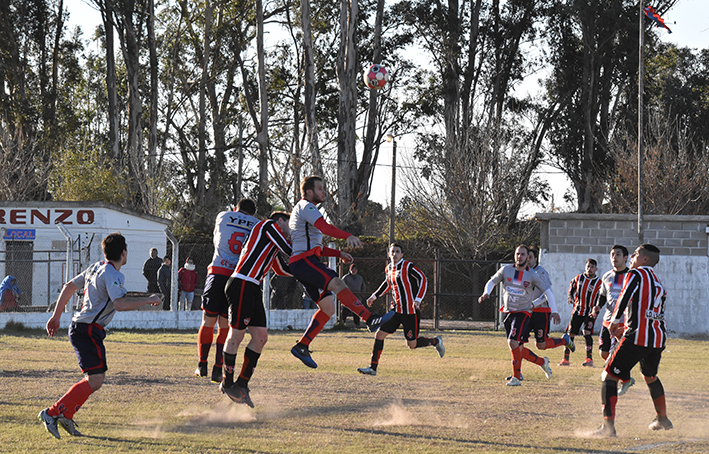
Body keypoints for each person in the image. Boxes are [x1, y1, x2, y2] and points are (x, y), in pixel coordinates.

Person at [38, 232, 161, 439]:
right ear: (123, 253)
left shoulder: (95, 267)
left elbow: (69, 286)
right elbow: (120, 304)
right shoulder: (112, 274)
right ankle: (52, 413)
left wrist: (56, 316)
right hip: (88, 329)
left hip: (82, 327)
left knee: (95, 378)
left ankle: (66, 414)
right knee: (95, 380)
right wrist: (148, 300)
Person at [288, 175, 394, 369]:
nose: (324, 192)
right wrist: (347, 236)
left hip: (304, 262)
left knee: (328, 308)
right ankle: (369, 319)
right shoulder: (306, 206)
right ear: (309, 192)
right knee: (338, 283)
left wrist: (338, 253)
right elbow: (324, 227)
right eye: (320, 188)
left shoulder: (306, 210)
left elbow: (315, 246)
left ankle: (302, 346)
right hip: (304, 262)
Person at [589, 244, 672, 438]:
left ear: (644, 259)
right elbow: (659, 310)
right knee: (650, 375)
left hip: (637, 336)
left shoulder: (636, 274)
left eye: (635, 254)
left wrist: (615, 320)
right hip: (657, 338)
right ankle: (663, 418)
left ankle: (608, 428)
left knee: (608, 376)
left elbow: (625, 296)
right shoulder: (659, 281)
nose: (632, 256)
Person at [219, 212, 292, 407]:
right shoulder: (268, 226)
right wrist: (311, 254)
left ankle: (242, 384)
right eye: (289, 223)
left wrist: (310, 273)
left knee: (260, 337)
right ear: (280, 221)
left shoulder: (271, 242)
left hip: (252, 287)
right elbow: (289, 249)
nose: (291, 228)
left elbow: (281, 269)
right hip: (242, 283)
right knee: (236, 336)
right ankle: (227, 383)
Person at [196, 199, 259, 383]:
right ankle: (218, 368)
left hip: (217, 271)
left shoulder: (223, 215)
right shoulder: (256, 224)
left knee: (208, 321)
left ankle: (201, 364)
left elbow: (216, 238)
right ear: (253, 214)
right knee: (225, 325)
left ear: (235, 209)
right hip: (237, 278)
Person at [357, 243, 443, 376]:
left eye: (398, 252)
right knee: (379, 335)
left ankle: (435, 341)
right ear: (389, 254)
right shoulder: (389, 268)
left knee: (412, 345)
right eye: (393, 252)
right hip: (395, 311)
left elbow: (423, 279)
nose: (395, 254)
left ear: (402, 255)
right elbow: (387, 283)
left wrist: (418, 299)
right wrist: (374, 296)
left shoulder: (408, 266)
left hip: (410, 312)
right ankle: (372, 368)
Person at [478, 244, 557, 386]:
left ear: (527, 257)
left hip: (523, 312)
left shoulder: (533, 275)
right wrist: (486, 293)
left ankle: (516, 377)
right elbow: (492, 281)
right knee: (517, 348)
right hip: (508, 312)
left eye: (522, 254)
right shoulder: (506, 270)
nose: (519, 256)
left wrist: (555, 310)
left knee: (512, 342)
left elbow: (548, 292)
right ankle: (542, 362)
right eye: (517, 254)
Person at [517, 248, 572, 380]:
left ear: (536, 259)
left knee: (541, 345)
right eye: (526, 257)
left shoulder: (540, 273)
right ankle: (517, 373)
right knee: (517, 343)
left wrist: (534, 304)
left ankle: (564, 340)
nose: (527, 259)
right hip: (526, 312)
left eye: (530, 257)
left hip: (541, 312)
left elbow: (547, 293)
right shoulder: (521, 272)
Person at [591, 245, 635, 395]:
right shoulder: (607, 276)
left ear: (625, 258)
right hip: (607, 321)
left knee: (613, 356)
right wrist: (597, 306)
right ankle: (626, 378)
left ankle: (614, 385)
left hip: (623, 323)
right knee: (604, 353)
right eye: (612, 255)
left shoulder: (632, 276)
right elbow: (602, 295)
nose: (614, 257)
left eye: (618, 254)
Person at [560, 258, 602, 367]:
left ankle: (589, 359)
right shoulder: (579, 278)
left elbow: (601, 297)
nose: (590, 269)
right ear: (585, 267)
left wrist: (597, 309)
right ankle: (566, 359)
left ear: (596, 269)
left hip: (590, 313)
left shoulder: (599, 282)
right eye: (588, 266)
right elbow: (571, 287)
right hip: (577, 311)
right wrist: (570, 297)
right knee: (571, 334)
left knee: (586, 333)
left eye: (592, 267)